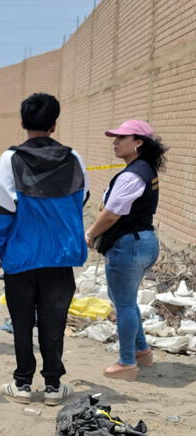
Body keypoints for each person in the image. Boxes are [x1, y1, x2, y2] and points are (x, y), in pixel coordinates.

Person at [0, 92, 89, 406]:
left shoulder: (10, 160)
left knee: (21, 323)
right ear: (54, 124)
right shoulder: (73, 158)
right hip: (59, 257)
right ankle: (54, 386)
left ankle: (21, 385)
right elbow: (81, 199)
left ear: (22, 121)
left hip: (20, 258)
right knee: (53, 322)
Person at [85, 120, 166, 381]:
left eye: (122, 137)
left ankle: (127, 363)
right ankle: (142, 352)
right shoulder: (144, 170)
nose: (115, 142)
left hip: (129, 244)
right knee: (126, 301)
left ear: (139, 142)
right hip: (142, 241)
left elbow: (111, 214)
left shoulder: (133, 174)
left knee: (124, 304)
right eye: (114, 137)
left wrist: (90, 234)